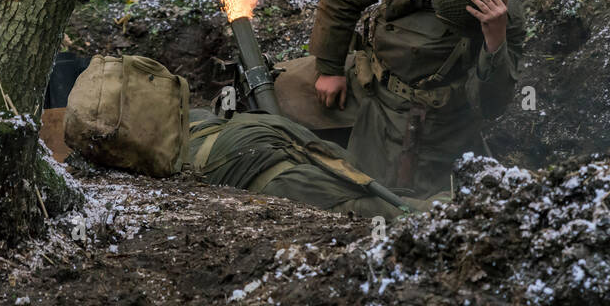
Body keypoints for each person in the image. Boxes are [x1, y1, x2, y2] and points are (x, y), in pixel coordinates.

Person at [306, 0, 524, 196]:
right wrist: (330, 68)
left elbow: (491, 106)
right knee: (281, 97)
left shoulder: (505, 17)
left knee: (389, 194)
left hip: (436, 116)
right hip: (370, 77)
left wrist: (495, 42)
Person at [187, 109, 438, 219]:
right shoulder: (245, 122)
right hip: (289, 180)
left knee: (380, 208)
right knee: (386, 210)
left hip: (282, 179)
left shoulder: (183, 156)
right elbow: (330, 152)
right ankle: (454, 209)